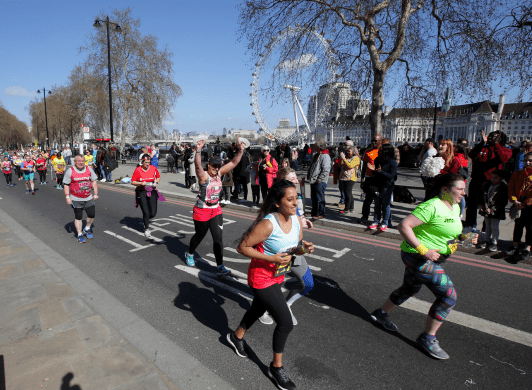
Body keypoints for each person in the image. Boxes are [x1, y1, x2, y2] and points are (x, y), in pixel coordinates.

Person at [370, 173, 472, 360]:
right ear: (445, 189)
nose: (464, 193)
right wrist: (424, 250)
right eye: (460, 189)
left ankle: (380, 314)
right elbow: (404, 226)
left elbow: (446, 229)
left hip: (432, 258)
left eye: (464, 189)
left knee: (409, 289)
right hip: (418, 258)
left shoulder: (455, 206)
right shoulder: (432, 206)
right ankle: (427, 338)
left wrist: (463, 237)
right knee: (448, 296)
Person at [226, 180, 314, 390]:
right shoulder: (267, 224)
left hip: (277, 275)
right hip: (261, 277)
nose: (295, 204)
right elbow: (242, 247)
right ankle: (276, 367)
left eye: (297, 199)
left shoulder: (294, 220)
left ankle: (235, 336)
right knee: (285, 323)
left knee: (258, 308)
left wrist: (304, 249)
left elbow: (295, 249)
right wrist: (271, 259)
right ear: (277, 203)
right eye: (290, 200)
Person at [259, 168, 314, 326]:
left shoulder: (297, 197)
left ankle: (286, 305)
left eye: (296, 178)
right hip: (277, 252)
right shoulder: (272, 207)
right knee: (271, 285)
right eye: (292, 179)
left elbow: (298, 214)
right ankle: (263, 310)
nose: (296, 181)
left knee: (308, 283)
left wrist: (303, 220)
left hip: (294, 250)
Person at [184, 139, 244, 276]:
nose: (216, 168)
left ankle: (220, 266)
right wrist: (198, 150)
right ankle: (190, 253)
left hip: (216, 209)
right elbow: (197, 164)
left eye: (218, 166)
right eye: (214, 166)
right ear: (209, 165)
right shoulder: (204, 176)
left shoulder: (220, 174)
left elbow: (234, 162)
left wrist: (241, 151)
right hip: (202, 210)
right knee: (200, 235)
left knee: (218, 239)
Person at [465, 130, 512, 229]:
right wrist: (482, 143)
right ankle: (470, 225)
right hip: (476, 180)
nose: (490, 138)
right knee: (472, 204)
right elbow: (471, 155)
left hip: (491, 182)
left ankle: (486, 231)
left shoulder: (504, 149)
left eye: (494, 137)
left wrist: (496, 145)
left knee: (488, 207)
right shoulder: (482, 148)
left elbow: (503, 158)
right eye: (489, 136)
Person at [63, 155, 99, 243]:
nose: (81, 162)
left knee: (92, 215)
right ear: (75, 161)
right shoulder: (70, 171)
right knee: (78, 216)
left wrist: (96, 193)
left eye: (83, 161)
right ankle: (79, 234)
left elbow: (94, 181)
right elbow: (66, 184)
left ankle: (87, 228)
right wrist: (67, 196)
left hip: (88, 197)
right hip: (76, 198)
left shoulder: (89, 169)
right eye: (79, 161)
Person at [506, 154, 532, 260]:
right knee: (518, 226)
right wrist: (515, 200)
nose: (527, 162)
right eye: (525, 160)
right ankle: (515, 247)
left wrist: (525, 203)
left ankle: (527, 249)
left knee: (530, 228)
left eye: (530, 161)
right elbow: (511, 188)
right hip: (518, 202)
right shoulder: (517, 174)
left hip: (529, 204)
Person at [131, 154, 163, 237]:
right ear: (142, 162)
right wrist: (141, 183)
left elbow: (158, 177)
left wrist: (156, 182)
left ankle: (146, 219)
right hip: (141, 192)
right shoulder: (138, 170)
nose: (147, 164)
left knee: (152, 213)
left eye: (149, 162)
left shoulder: (153, 168)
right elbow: (132, 182)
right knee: (146, 212)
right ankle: (147, 229)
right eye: (146, 162)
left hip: (151, 191)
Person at [369, 144, 398, 231]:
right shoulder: (378, 159)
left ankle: (385, 222)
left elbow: (391, 176)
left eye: (381, 150)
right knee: (377, 204)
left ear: (386, 151)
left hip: (387, 186)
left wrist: (380, 171)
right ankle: (376, 221)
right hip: (377, 185)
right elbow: (375, 173)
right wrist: (373, 170)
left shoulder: (393, 162)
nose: (379, 151)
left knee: (385, 204)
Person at [477, 169, 508, 252]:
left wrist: (493, 209)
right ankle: (486, 241)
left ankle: (494, 242)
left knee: (494, 226)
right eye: (492, 177)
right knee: (487, 226)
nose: (493, 179)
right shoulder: (486, 185)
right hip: (486, 209)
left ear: (501, 178)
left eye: (495, 178)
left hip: (497, 211)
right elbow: (480, 196)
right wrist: (481, 205)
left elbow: (503, 202)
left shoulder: (503, 188)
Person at [359, 135, 383, 222]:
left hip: (379, 178)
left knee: (378, 200)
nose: (373, 142)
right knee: (367, 199)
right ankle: (364, 216)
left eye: (375, 141)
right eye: (372, 141)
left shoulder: (382, 151)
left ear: (380, 141)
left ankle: (377, 219)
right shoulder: (368, 151)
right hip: (369, 178)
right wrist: (362, 180)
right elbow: (364, 167)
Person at [307, 139, 331, 220]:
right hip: (314, 180)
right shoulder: (316, 155)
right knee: (313, 197)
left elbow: (326, 169)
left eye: (315, 146)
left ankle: (321, 212)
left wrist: (319, 179)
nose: (314, 147)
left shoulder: (325, 156)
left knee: (320, 197)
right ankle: (314, 212)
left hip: (320, 181)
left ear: (320, 147)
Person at [338, 146, 360, 215]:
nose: (347, 153)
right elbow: (340, 165)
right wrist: (342, 159)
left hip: (351, 178)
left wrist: (344, 159)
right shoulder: (348, 158)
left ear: (353, 152)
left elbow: (350, 166)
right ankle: (351, 208)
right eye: (347, 151)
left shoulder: (356, 158)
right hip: (344, 178)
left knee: (347, 193)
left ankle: (346, 209)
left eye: (349, 151)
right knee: (349, 193)